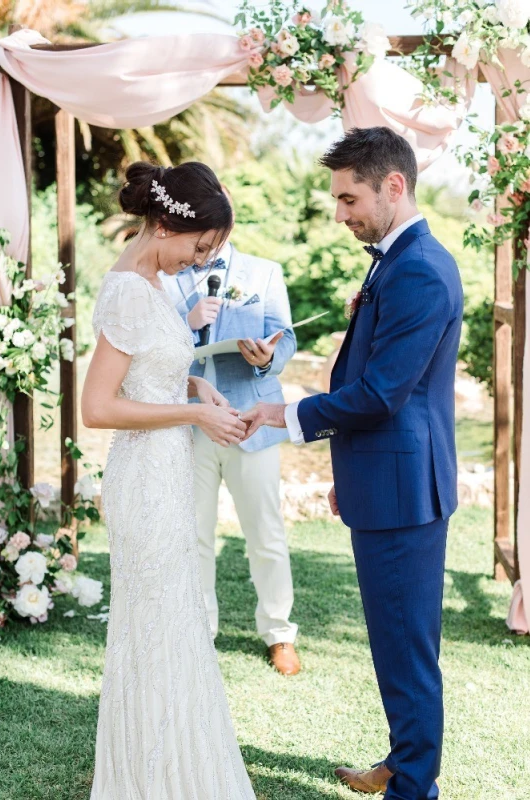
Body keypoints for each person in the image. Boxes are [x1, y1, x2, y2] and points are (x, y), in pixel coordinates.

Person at [240, 127, 464, 800]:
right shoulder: (394, 258)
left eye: (349, 198)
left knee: (406, 651)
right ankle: (403, 763)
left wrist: (288, 411)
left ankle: (412, 788)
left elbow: (382, 395)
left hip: (405, 492)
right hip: (385, 481)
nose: (340, 214)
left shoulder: (419, 268)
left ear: (394, 186)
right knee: (397, 646)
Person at [81, 161, 256, 799]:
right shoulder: (128, 289)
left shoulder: (156, 282)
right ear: (161, 225)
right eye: (199, 246)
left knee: (175, 619)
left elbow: (149, 368)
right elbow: (97, 407)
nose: (200, 260)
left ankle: (176, 766)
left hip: (167, 471)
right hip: (144, 478)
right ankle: (150, 776)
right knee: (155, 623)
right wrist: (193, 412)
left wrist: (195, 382)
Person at [160, 187, 300, 676]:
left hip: (250, 420)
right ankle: (201, 632)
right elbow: (152, 340)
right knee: (194, 531)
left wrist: (268, 357)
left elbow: (287, 336)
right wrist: (187, 318)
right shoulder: (170, 276)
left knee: (265, 531)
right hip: (189, 422)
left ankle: (279, 632)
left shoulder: (264, 272)